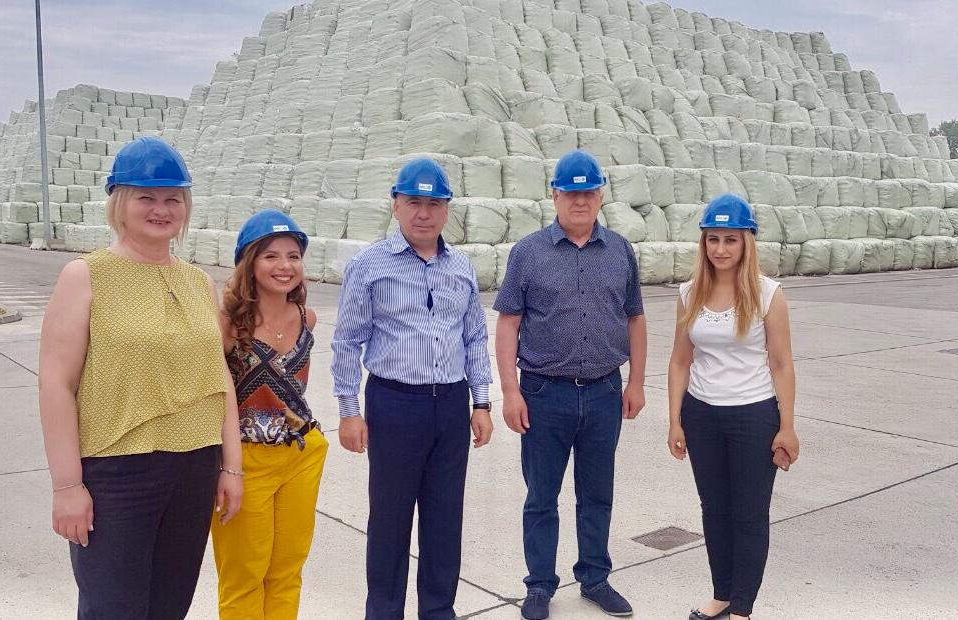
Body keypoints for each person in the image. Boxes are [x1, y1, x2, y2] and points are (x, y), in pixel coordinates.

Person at [38, 136, 243, 619]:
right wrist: (67, 486)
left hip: (195, 468)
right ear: (119, 203)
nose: (161, 209)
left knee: (170, 606)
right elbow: (56, 385)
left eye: (173, 198)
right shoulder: (85, 276)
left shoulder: (198, 282)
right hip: (117, 474)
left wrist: (231, 467)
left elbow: (219, 379)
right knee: (114, 609)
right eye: (146, 197)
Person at [331, 156, 494, 620]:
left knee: (445, 518)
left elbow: (474, 336)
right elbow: (347, 340)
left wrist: (482, 402)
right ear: (395, 205)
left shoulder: (460, 267)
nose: (424, 213)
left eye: (434, 204)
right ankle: (384, 613)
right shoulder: (369, 265)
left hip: (451, 405)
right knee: (390, 519)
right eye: (413, 203)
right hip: (395, 404)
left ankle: (438, 610)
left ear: (447, 210)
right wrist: (349, 410)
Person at [493, 149, 647, 620]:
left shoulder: (620, 251)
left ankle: (595, 578)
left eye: (589, 192)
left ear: (601, 196)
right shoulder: (528, 253)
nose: (580, 201)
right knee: (541, 496)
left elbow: (635, 318)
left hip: (604, 392)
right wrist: (510, 391)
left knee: (597, 494)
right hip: (544, 394)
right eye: (570, 192)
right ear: (554, 196)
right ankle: (539, 585)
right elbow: (508, 323)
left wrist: (637, 382)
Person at [665, 194, 800, 620]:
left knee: (750, 513)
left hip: (753, 415)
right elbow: (679, 361)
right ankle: (722, 594)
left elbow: (781, 364)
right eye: (713, 239)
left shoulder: (767, 295)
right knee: (715, 509)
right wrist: (674, 420)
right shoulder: (689, 294)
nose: (720, 249)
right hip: (701, 414)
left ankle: (742, 607)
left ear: (746, 243)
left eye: (730, 240)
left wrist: (787, 426)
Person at [211, 209, 328, 619]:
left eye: (293, 256)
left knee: (287, 569)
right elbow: (214, 396)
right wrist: (227, 467)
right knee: (243, 574)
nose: (285, 266)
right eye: (271, 256)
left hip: (301, 454)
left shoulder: (307, 318)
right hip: (244, 461)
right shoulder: (226, 324)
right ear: (250, 262)